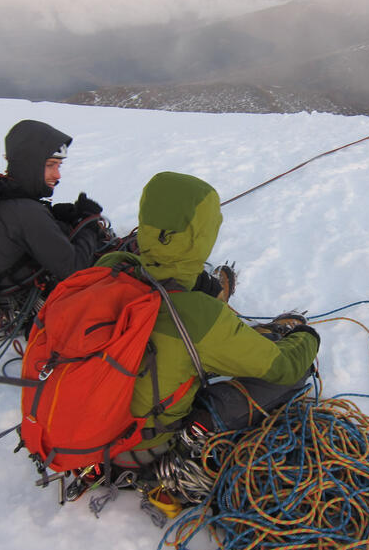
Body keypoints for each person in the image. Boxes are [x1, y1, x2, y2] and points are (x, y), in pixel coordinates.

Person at [94, 171, 320, 469]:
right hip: (136, 445)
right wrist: (307, 337)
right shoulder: (196, 317)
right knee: (295, 369)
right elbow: (283, 367)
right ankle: (256, 341)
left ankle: (239, 340)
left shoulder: (111, 268)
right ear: (201, 235)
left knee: (189, 348)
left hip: (79, 427)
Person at [0, 119, 109, 307]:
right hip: (23, 302)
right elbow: (75, 269)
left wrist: (54, 216)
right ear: (29, 164)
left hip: (2, 290)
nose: (57, 175)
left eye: (58, 166)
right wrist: (88, 225)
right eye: (50, 165)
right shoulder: (26, 211)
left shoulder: (3, 193)